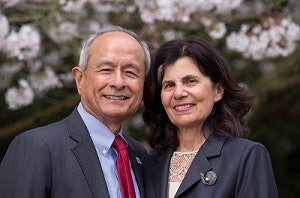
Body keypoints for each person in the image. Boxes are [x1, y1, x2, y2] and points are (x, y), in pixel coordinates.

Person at [0, 25, 150, 198]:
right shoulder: (37, 147)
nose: (118, 82)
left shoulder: (139, 155)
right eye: (106, 70)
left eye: (130, 72)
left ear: (144, 85)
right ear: (80, 79)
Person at [142, 37, 278, 198]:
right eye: (169, 85)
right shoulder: (148, 165)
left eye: (190, 81)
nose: (178, 93)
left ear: (218, 91)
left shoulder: (245, 156)